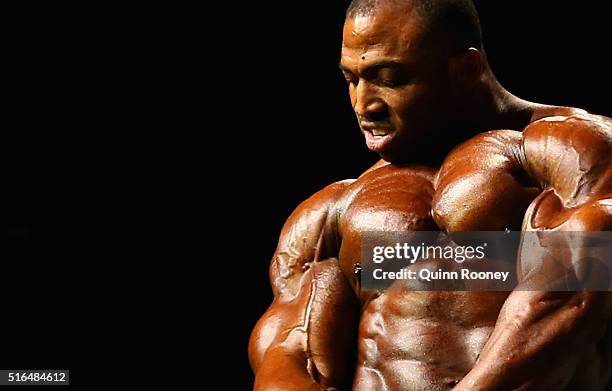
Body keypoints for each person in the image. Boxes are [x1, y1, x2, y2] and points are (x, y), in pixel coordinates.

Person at [249, 0, 612, 389]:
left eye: (388, 78)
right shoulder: (335, 209)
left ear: (466, 70)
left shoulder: (570, 151)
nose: (363, 105)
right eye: (351, 79)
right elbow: (288, 353)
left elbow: (570, 301)